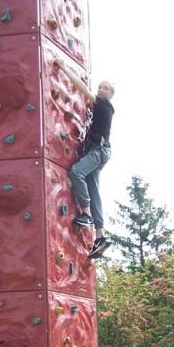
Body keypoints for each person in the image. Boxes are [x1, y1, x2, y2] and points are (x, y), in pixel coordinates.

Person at [54, 60, 115, 260]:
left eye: (106, 88)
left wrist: (64, 69)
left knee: (76, 172)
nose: (102, 90)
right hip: (100, 151)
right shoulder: (102, 108)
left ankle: (87, 215)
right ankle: (100, 235)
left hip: (97, 151)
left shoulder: (104, 103)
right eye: (101, 87)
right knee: (93, 188)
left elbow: (82, 89)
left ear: (110, 94)